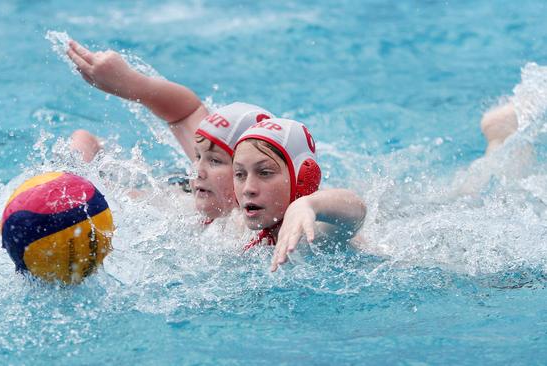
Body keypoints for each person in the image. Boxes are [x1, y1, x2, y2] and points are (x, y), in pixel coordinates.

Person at [65, 39, 273, 222]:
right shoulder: (181, 207)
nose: (196, 170)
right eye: (198, 156)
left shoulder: (261, 221)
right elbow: (187, 113)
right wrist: (129, 82)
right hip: (178, 187)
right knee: (100, 196)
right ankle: (85, 147)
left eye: (215, 161)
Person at [232, 118, 366, 271]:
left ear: (303, 178)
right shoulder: (237, 227)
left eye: (264, 173)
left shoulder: (317, 232)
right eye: (240, 174)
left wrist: (309, 204)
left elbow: (357, 210)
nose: (248, 189)